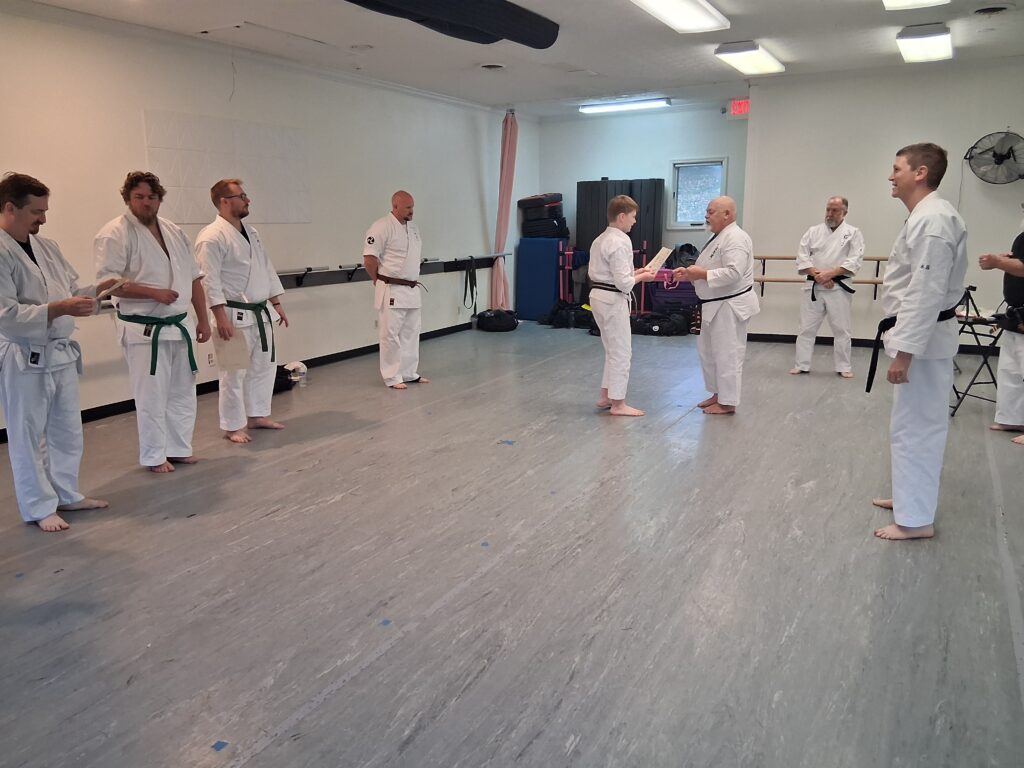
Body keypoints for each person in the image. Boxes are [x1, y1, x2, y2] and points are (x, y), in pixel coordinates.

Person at [0, 173, 115, 531]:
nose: (44, 219)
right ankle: (38, 506)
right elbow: (5, 315)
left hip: (60, 353)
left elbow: (70, 291)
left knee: (66, 429)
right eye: (37, 212)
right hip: (23, 354)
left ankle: (66, 493)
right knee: (28, 435)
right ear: (9, 208)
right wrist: (58, 309)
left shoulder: (47, 246)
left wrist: (100, 289)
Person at [871, 143, 967, 541]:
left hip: (923, 346)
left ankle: (916, 520)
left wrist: (905, 354)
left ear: (920, 172)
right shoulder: (926, 216)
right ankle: (909, 498)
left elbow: (926, 292)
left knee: (920, 429)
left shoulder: (934, 220)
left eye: (897, 169)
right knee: (907, 425)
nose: (891, 176)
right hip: (921, 340)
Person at [95, 171, 211, 473]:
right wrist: (152, 292)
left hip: (180, 325)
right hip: (144, 330)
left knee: (183, 392)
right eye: (139, 197)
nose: (146, 203)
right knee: (151, 396)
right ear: (127, 198)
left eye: (152, 197)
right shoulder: (114, 233)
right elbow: (106, 285)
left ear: (160, 199)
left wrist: (203, 320)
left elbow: (194, 278)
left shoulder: (173, 230)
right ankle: (154, 455)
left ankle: (179, 448)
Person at [195, 179, 289, 444]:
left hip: (260, 312)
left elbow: (265, 267)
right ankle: (233, 425)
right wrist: (219, 316)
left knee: (263, 367)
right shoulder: (211, 237)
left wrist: (276, 303)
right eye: (242, 196)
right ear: (224, 201)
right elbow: (208, 280)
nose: (248, 200)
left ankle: (257, 415)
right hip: (231, 316)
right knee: (233, 373)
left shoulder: (252, 232)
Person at [673, 196, 760, 415]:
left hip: (729, 305)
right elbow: (710, 267)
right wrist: (690, 274)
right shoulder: (719, 237)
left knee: (727, 354)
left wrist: (701, 274)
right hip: (712, 304)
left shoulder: (736, 238)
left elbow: (733, 273)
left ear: (727, 214)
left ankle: (727, 402)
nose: (706, 216)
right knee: (709, 353)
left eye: (711, 212)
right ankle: (717, 394)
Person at [588, 195, 657, 417]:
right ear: (621, 216)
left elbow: (614, 274)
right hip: (612, 300)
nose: (634, 221)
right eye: (633, 217)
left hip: (598, 296)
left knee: (611, 349)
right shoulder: (620, 241)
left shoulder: (600, 239)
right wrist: (642, 278)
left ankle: (606, 395)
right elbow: (624, 284)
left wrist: (637, 272)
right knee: (621, 352)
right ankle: (618, 404)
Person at [790, 196, 865, 378]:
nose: (829, 214)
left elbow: (854, 260)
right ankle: (801, 364)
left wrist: (830, 274)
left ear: (844, 213)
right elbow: (802, 257)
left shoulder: (853, 233)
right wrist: (820, 276)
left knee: (841, 329)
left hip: (838, 288)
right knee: (806, 328)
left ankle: (843, 366)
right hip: (814, 286)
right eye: (828, 209)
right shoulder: (813, 231)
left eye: (835, 210)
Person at [362, 191, 429, 389]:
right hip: (391, 288)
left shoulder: (413, 228)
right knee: (390, 334)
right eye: (408, 207)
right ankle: (392, 376)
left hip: (412, 288)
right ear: (395, 206)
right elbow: (369, 259)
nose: (412, 211)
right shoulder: (381, 226)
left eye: (413, 207)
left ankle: (408, 373)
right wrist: (376, 279)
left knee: (411, 333)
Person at [979, 220, 1024, 445]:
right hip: (1016, 315)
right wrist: (1006, 261)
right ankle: (1011, 418)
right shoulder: (1022, 237)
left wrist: (998, 262)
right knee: (1010, 370)